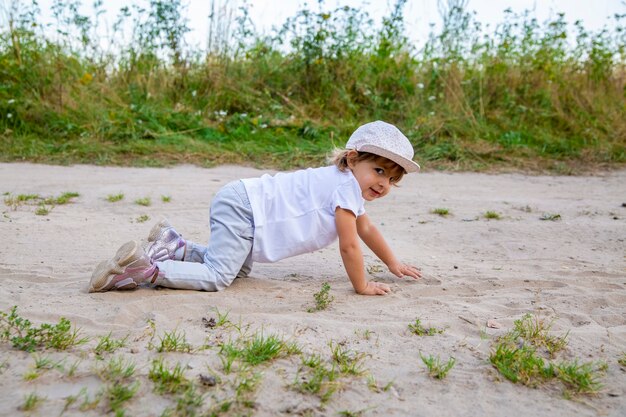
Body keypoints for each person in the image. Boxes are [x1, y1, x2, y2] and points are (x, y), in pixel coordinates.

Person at [89, 120, 422, 296]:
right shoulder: (346, 188)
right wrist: (361, 284)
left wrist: (393, 263)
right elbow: (350, 244)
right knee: (219, 276)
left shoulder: (345, 185)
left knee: (239, 270)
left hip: (243, 202)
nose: (383, 184)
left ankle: (174, 247)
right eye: (379, 171)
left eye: (393, 179)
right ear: (352, 159)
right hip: (246, 210)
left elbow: (366, 229)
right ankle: (143, 270)